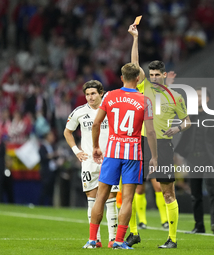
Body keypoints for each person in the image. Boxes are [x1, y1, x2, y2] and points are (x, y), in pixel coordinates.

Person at [127, 24, 191, 248]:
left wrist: (177, 129)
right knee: (132, 188)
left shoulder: (176, 97)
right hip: (140, 143)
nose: (153, 78)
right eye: (150, 74)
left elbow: (187, 121)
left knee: (167, 191)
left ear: (164, 75)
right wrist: (135, 38)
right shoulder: (144, 87)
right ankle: (134, 232)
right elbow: (134, 65)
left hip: (164, 145)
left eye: (156, 75)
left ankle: (172, 238)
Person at [83, 63, 158, 249]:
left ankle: (93, 240)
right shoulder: (145, 100)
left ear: (122, 78)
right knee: (127, 199)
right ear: (138, 79)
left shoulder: (110, 95)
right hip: (133, 154)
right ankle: (118, 241)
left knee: (101, 196)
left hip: (112, 151)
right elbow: (150, 131)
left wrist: (95, 147)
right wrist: (155, 156)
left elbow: (96, 124)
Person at [64, 80, 119, 248]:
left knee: (111, 197)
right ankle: (95, 240)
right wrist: (76, 151)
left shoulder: (111, 109)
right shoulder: (79, 112)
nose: (90, 97)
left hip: (109, 159)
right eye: (87, 94)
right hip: (88, 161)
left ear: (101, 93)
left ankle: (113, 239)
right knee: (92, 198)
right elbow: (68, 132)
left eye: (93, 93)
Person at [175, 88, 214, 235]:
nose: (197, 98)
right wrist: (180, 154)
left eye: (200, 96)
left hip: (209, 159)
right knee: (195, 194)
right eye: (195, 96)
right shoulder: (188, 116)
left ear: (207, 99)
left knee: (212, 191)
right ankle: (199, 226)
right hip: (193, 159)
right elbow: (182, 137)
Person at [39, 130, 58, 206]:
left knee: (51, 190)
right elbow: (43, 157)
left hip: (52, 171)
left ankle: (50, 205)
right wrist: (54, 155)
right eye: (51, 136)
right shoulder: (42, 147)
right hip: (45, 171)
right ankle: (41, 204)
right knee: (44, 189)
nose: (53, 137)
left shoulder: (52, 146)